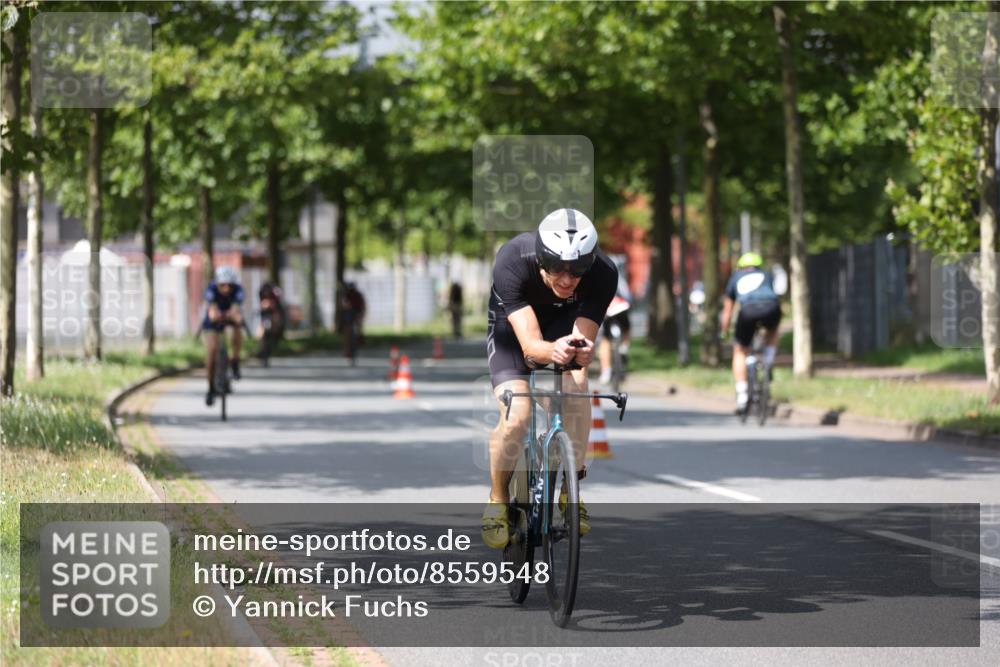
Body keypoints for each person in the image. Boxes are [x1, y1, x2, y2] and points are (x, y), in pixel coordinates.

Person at [482, 208, 617, 550]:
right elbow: (530, 346)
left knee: (578, 386)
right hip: (512, 328)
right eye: (557, 267)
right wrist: (550, 350)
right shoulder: (513, 259)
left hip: (564, 322)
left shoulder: (603, 272)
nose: (567, 279)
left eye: (577, 270)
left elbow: (582, 341)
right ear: (541, 258)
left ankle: (571, 491)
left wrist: (581, 352)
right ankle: (498, 501)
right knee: (518, 415)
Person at [721, 252, 782, 413]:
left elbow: (728, 309)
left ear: (740, 266)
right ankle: (768, 360)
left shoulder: (735, 277)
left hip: (748, 311)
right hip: (771, 308)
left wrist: (724, 330)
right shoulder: (766, 275)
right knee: (773, 331)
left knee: (740, 350)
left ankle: (742, 396)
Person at [203, 266, 245, 406]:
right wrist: (221, 314)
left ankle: (235, 361)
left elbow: (236, 314)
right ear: (217, 284)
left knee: (238, 328)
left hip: (230, 317)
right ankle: (210, 387)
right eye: (222, 285)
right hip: (214, 320)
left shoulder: (238, 290)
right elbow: (212, 314)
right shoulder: (211, 290)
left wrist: (232, 316)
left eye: (229, 285)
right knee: (212, 350)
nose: (226, 288)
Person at [597, 260, 632, 386]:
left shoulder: (600, 279)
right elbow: (628, 296)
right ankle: (625, 347)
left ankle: (606, 371)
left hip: (608, 310)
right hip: (621, 308)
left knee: (605, 340)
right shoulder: (621, 280)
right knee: (627, 327)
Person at [256, 282, 285, 359]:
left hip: (276, 311)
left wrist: (272, 305)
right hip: (265, 313)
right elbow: (262, 305)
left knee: (276, 322)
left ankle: (275, 339)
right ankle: (261, 347)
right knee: (261, 328)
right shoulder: (261, 293)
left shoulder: (276, 293)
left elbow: (278, 308)